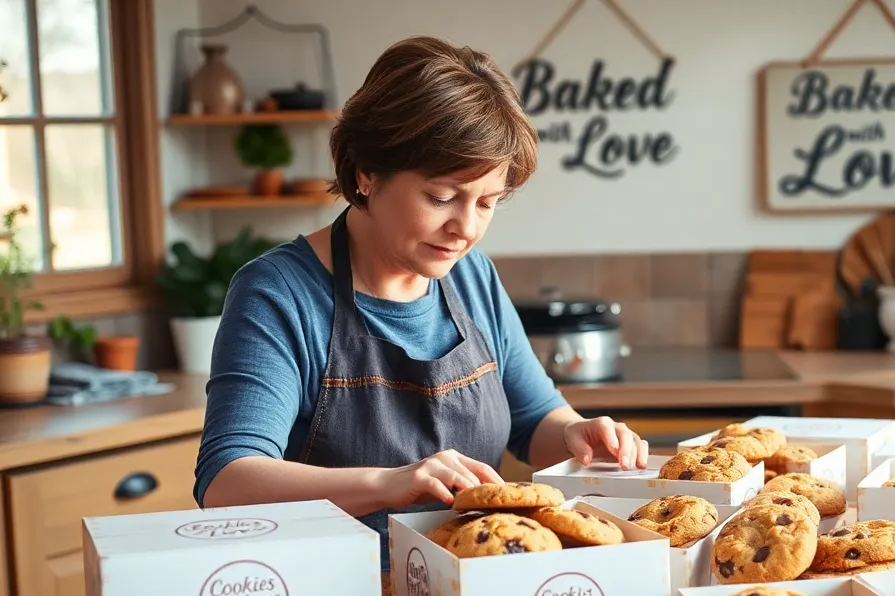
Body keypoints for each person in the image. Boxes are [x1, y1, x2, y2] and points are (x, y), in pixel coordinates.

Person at [193, 36, 648, 567]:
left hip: (466, 590)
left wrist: (576, 434)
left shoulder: (472, 276)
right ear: (367, 172)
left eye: (487, 203)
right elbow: (226, 480)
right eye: (442, 197)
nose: (466, 229)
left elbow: (534, 421)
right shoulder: (279, 292)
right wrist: (391, 483)